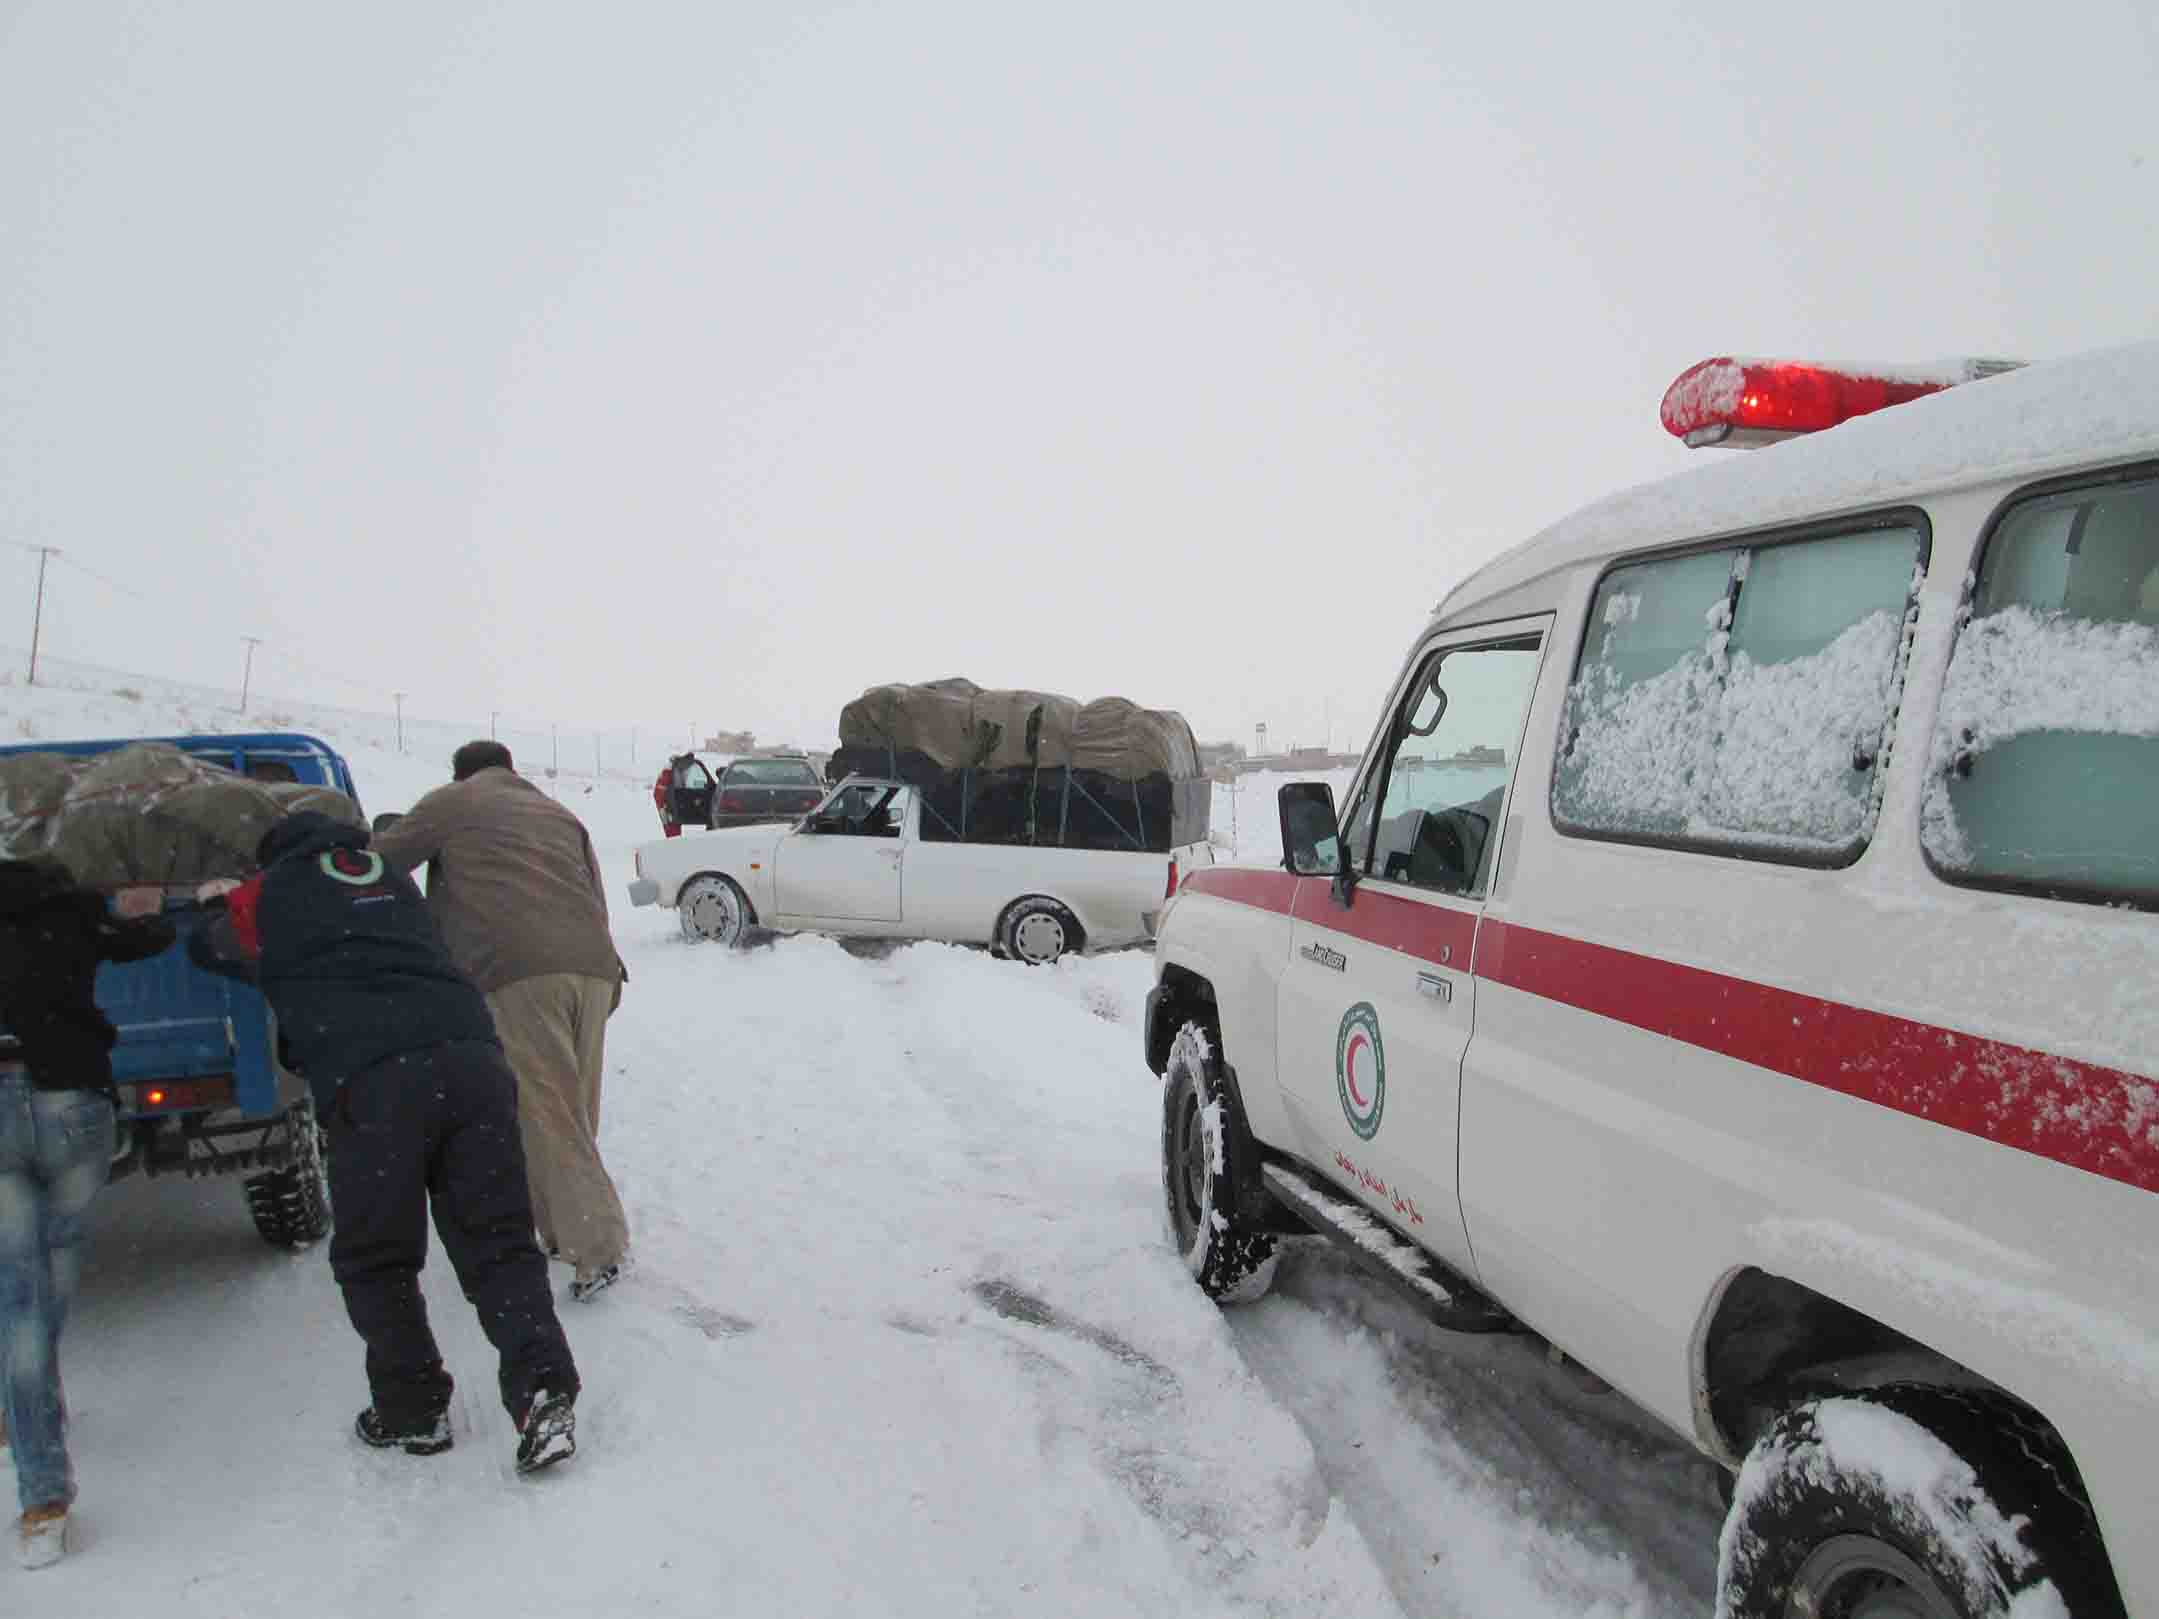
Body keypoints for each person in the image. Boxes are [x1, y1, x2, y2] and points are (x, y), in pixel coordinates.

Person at [189, 814, 580, 1475]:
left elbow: (212, 946)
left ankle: (412, 1408)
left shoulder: (273, 888)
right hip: (471, 1058)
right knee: (496, 1238)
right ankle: (541, 1386)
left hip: (375, 1076)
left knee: (377, 1254)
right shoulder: (390, 876)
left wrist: (213, 904)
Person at [370, 742, 630, 1301]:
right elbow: (595, 894)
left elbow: (383, 858)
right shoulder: (559, 814)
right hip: (593, 967)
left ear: (462, 772)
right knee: (574, 1109)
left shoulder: (456, 802)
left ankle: (598, 1246)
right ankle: (565, 1230)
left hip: (518, 970)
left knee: (545, 1112)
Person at [0, 858, 174, 1569]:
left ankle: (43, 1494)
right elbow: (152, 941)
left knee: (19, 1294)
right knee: (57, 1259)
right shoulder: (71, 911)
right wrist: (143, 908)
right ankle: (36, 1409)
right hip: (72, 1102)